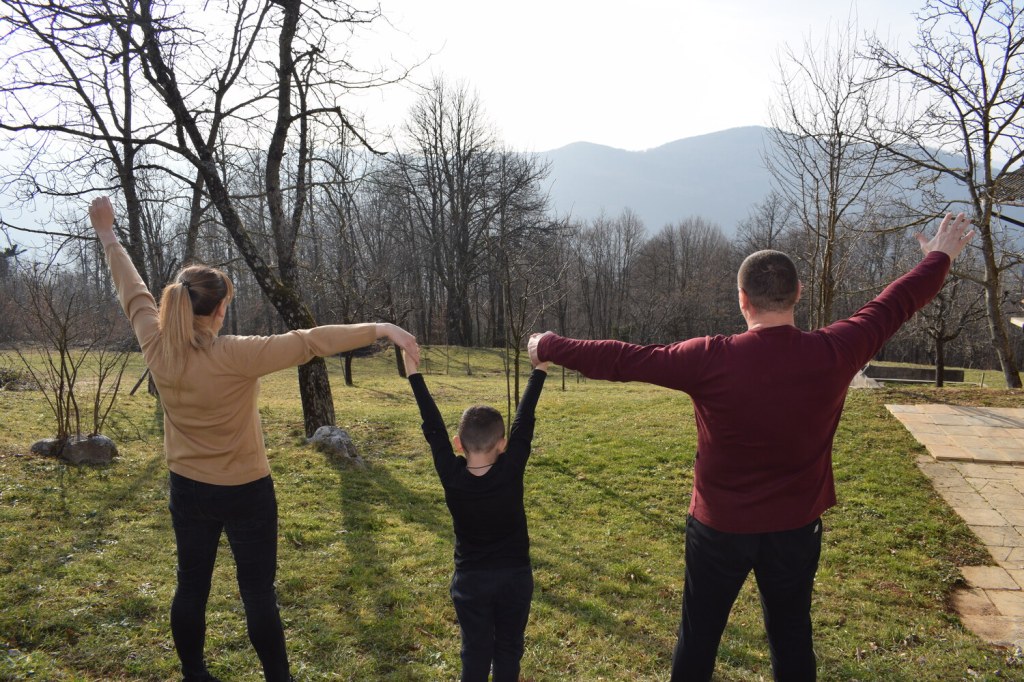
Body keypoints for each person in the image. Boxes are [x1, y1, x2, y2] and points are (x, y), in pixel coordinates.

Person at [528, 213, 975, 681]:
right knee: (791, 638)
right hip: (796, 531)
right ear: (798, 292)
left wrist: (551, 344)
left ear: (743, 301)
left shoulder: (709, 358)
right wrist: (938, 256)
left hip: (718, 530)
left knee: (698, 638)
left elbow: (623, 359)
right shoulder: (836, 350)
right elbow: (895, 303)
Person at [88, 196, 420, 682]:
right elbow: (311, 341)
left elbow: (133, 290)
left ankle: (194, 674)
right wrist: (381, 328)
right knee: (258, 593)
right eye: (227, 304)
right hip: (247, 492)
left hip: (188, 488)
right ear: (219, 311)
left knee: (191, 587)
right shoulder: (236, 354)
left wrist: (107, 234)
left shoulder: (155, 343)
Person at [403, 348, 548, 682]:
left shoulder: (452, 475)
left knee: (475, 652)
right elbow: (524, 420)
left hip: (471, 584)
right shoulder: (511, 468)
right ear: (503, 444)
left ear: (458, 443)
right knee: (509, 650)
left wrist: (414, 375)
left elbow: (433, 427)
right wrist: (538, 369)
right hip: (514, 579)